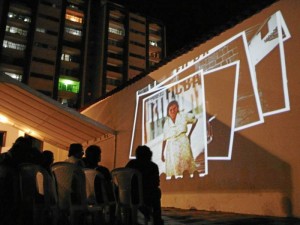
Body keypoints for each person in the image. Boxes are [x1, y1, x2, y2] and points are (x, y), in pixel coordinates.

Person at [126, 145, 164, 225]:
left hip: (130, 196)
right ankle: (157, 219)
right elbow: (156, 183)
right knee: (157, 191)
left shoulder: (131, 164)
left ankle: (129, 218)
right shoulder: (153, 166)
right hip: (147, 197)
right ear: (149, 155)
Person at [161, 100, 198, 178]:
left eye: (174, 108)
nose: (173, 111)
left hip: (183, 144)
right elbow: (164, 139)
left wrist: (190, 135)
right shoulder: (166, 123)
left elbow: (195, 119)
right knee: (175, 169)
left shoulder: (183, 116)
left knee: (187, 165)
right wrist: (162, 153)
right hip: (171, 148)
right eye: (170, 110)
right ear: (168, 112)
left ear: (177, 108)